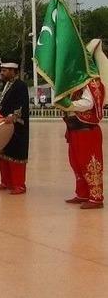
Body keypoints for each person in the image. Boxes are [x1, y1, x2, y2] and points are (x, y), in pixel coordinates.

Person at [63, 77, 104, 209]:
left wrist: (68, 103)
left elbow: (88, 103)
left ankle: (96, 198)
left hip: (87, 130)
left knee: (90, 163)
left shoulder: (92, 81)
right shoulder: (75, 82)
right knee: (76, 163)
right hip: (74, 128)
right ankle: (82, 194)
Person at [0, 59, 29, 195]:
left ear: (13, 71)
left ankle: (19, 185)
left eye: (4, 71)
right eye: (1, 70)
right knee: (3, 155)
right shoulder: (5, 85)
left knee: (16, 155)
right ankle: (6, 182)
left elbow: (21, 105)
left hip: (16, 127)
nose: (1, 73)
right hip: (3, 126)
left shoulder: (20, 86)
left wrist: (13, 116)